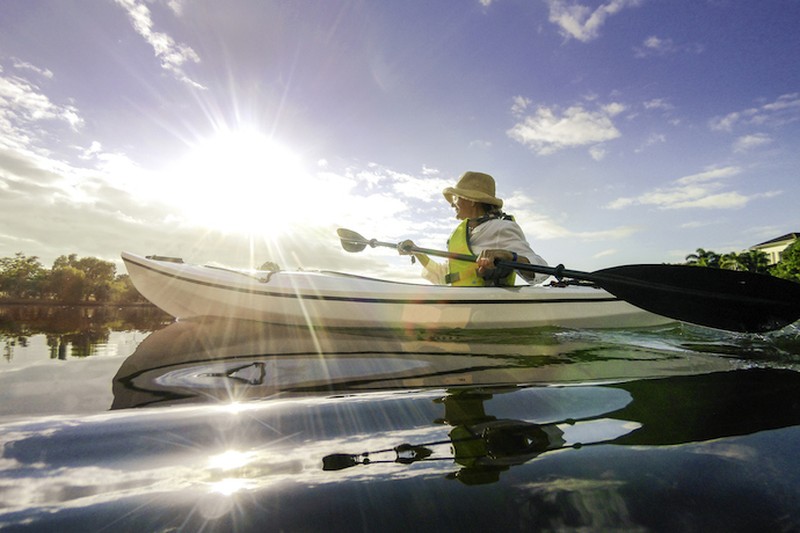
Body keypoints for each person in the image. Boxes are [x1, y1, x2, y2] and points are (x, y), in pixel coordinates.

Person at [399, 171, 548, 286]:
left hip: (488, 309)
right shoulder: (460, 234)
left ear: (471, 201)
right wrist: (417, 251)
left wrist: (510, 256)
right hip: (459, 309)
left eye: (456, 198)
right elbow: (444, 275)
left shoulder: (501, 228)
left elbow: (540, 268)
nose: (452, 204)